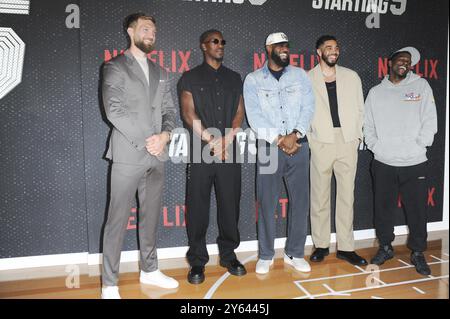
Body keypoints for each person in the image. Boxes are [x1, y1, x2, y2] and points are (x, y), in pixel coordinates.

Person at [101, 13, 178, 299]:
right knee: (117, 221)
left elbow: (170, 111)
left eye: (154, 30)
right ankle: (109, 283)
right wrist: (149, 141)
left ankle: (150, 270)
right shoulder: (114, 66)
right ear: (130, 31)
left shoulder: (162, 72)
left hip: (157, 155)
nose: (151, 34)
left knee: (150, 219)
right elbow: (114, 110)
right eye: (145, 29)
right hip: (128, 155)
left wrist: (166, 136)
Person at [178, 29, 246, 284]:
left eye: (222, 42)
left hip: (229, 149)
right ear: (203, 46)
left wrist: (227, 138)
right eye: (214, 41)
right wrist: (210, 139)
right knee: (197, 208)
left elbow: (239, 111)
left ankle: (229, 255)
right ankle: (197, 261)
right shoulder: (189, 77)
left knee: (230, 205)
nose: (220, 45)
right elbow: (187, 112)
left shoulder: (234, 77)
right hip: (201, 151)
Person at [243, 32, 315, 274]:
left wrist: (295, 134)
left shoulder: (300, 75)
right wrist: (278, 139)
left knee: (301, 202)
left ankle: (295, 253)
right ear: (268, 48)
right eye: (280, 45)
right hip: (268, 147)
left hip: (299, 145)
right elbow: (254, 116)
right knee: (266, 203)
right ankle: (266, 255)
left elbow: (308, 107)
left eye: (287, 45)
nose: (285, 48)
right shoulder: (253, 79)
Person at [364, 47, 437, 276]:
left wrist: (419, 145)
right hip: (384, 161)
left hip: (414, 161)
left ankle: (417, 252)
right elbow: (367, 125)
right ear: (390, 62)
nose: (404, 63)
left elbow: (430, 120)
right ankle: (385, 247)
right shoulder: (376, 92)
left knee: (417, 211)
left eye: (409, 61)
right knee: (383, 210)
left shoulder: (421, 86)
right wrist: (377, 146)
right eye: (401, 59)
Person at [307, 35, 367, 266]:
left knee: (346, 196)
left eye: (336, 48)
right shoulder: (307, 78)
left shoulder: (351, 76)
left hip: (347, 140)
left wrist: (356, 137)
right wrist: (311, 138)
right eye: (328, 48)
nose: (334, 51)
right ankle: (321, 245)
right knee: (319, 196)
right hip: (320, 141)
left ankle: (346, 247)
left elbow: (360, 109)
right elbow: (303, 110)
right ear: (318, 52)